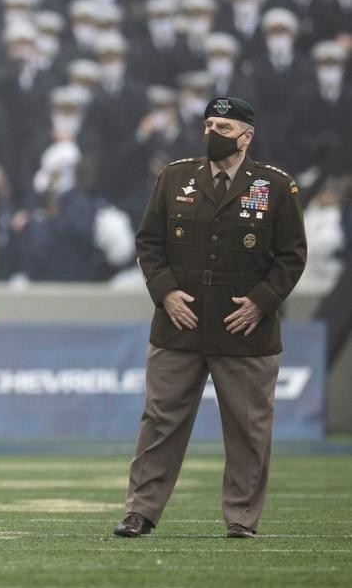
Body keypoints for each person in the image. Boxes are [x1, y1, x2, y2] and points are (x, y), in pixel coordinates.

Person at [115, 97, 307, 539]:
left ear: (247, 136)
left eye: (223, 127)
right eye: (208, 124)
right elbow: (149, 243)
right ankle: (139, 511)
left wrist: (262, 301)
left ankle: (241, 517)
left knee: (247, 429)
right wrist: (164, 294)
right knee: (160, 423)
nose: (212, 134)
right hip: (179, 322)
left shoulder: (276, 186)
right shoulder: (175, 176)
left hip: (245, 327)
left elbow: (292, 257)